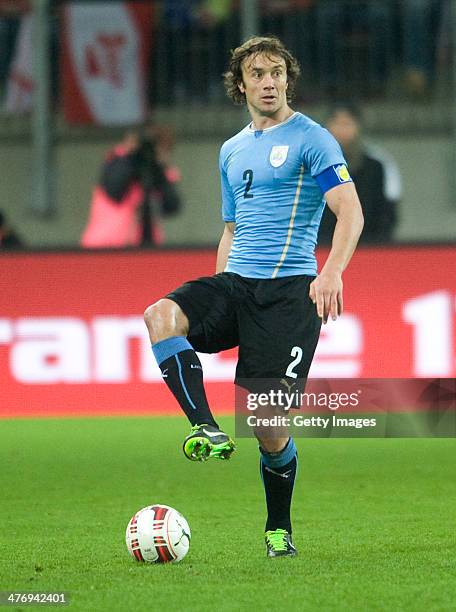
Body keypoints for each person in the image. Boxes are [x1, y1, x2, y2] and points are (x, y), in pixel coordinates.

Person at [143, 36, 363, 557]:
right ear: (240, 85)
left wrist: (331, 272)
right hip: (237, 283)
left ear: (289, 79)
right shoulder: (231, 149)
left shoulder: (314, 139)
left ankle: (277, 529)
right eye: (258, 74)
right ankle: (205, 428)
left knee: (266, 426)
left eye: (277, 72)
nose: (268, 82)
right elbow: (231, 227)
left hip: (289, 294)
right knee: (161, 316)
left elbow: (350, 212)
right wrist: (221, 289)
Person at [81, 123, 181, 248]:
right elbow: (114, 191)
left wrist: (158, 169)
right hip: (105, 246)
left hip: (145, 248)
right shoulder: (117, 162)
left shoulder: (157, 172)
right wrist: (132, 157)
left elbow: (172, 206)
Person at [319, 102, 401, 245]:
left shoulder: (378, 165)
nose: (342, 130)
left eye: (347, 124)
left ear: (358, 127)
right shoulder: (312, 166)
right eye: (337, 123)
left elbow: (388, 212)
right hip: (322, 249)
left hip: (369, 249)